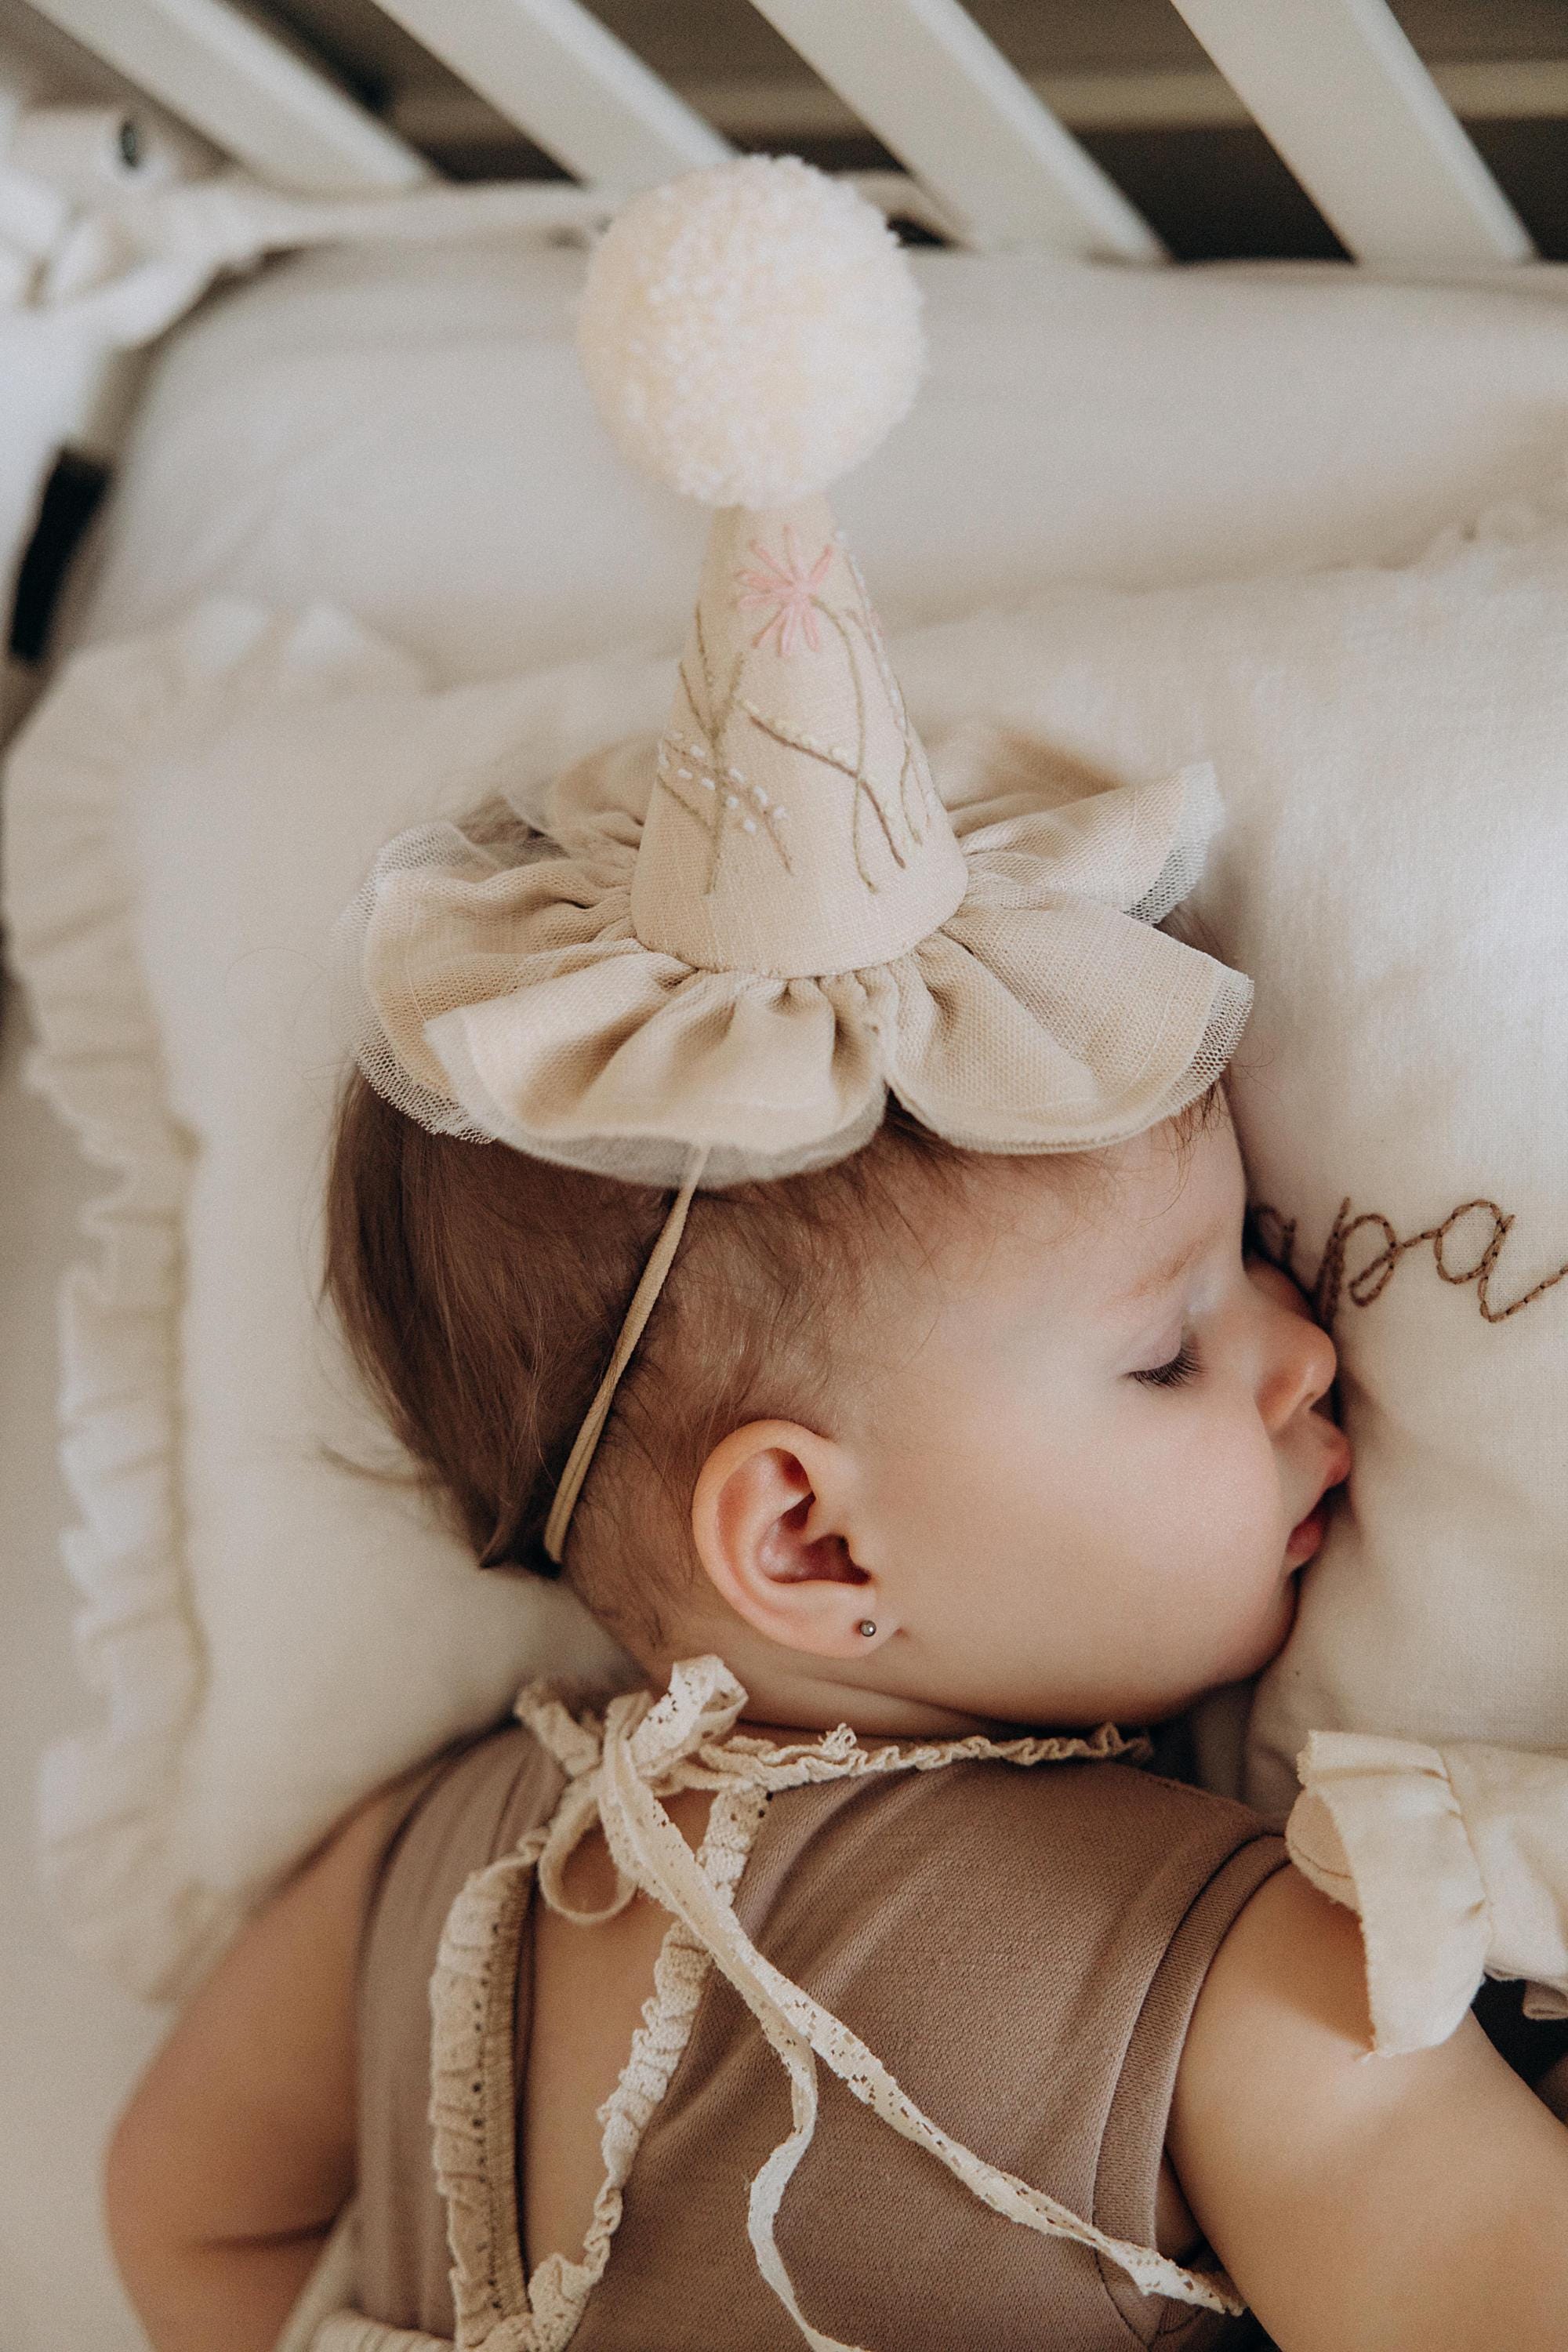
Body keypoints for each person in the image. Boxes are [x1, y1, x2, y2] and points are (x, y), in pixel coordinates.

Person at [103, 158, 1568, 2352]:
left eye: (1252, 1267)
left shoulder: (420, 1868)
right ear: (803, 1526)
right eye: (1169, 1348)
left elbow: (177, 2220)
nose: (1303, 1353)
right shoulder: (1233, 1958)